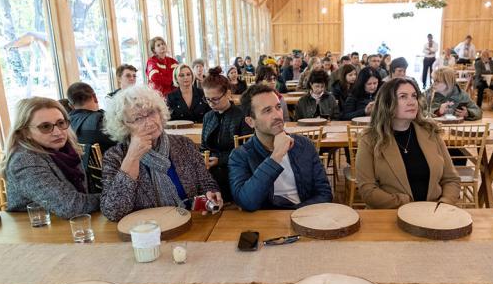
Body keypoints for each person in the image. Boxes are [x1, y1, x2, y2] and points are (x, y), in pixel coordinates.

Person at [101, 87, 222, 221]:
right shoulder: (115, 157)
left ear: (160, 112)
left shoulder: (184, 144)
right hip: (144, 234)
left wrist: (211, 195)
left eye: (152, 113)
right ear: (124, 125)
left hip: (188, 225)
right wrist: (132, 158)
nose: (149, 122)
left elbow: (206, 183)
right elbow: (113, 212)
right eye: (138, 118)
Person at [355, 78, 460, 208]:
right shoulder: (369, 139)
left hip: (434, 213)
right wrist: (406, 204)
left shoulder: (431, 132)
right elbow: (367, 191)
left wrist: (444, 203)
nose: (412, 102)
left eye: (414, 96)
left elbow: (451, 179)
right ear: (387, 103)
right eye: (403, 97)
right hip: (390, 214)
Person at [228, 84, 332, 211]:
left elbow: (325, 193)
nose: (277, 115)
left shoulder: (304, 145)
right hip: (268, 224)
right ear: (250, 121)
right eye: (267, 110)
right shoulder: (240, 156)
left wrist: (296, 214)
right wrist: (276, 156)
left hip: (306, 218)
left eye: (278, 107)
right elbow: (247, 202)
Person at [1, 97, 100, 218]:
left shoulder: (66, 149)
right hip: (36, 230)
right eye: (45, 127)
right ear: (25, 132)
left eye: (61, 123)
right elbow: (69, 206)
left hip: (66, 224)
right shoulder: (24, 159)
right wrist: (110, 198)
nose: (58, 132)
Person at [201, 67, 253, 202]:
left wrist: (220, 159)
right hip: (212, 170)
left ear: (228, 94)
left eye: (215, 99)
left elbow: (247, 150)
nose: (211, 103)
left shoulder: (242, 116)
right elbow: (203, 146)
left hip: (235, 171)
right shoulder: (208, 117)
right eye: (207, 99)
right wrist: (203, 158)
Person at [67, 82, 116, 154]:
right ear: (95, 97)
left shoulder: (65, 125)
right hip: (113, 163)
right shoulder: (102, 121)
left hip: (81, 164)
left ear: (71, 106)